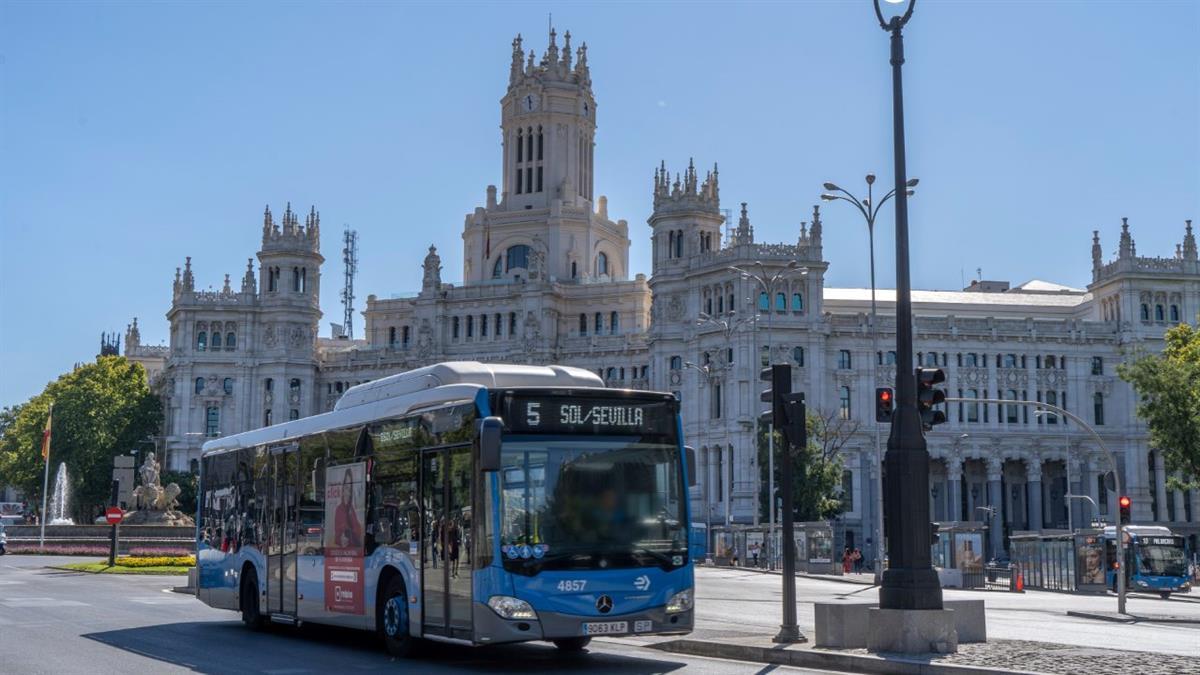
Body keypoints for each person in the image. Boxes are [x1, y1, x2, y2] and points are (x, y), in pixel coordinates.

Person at [333, 468, 363, 549]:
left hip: (355, 551)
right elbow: (337, 536)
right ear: (342, 489)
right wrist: (341, 538)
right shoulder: (339, 510)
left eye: (350, 489)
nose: (347, 493)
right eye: (346, 488)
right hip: (345, 553)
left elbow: (358, 529)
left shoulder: (351, 509)